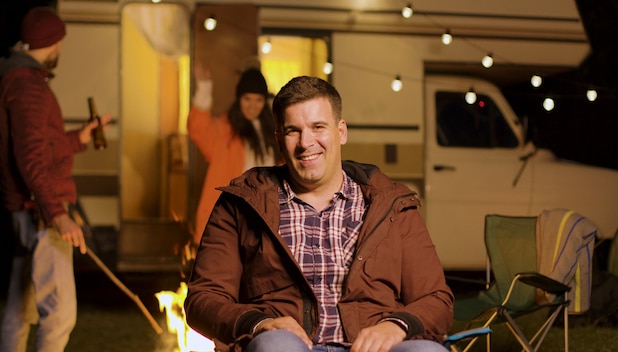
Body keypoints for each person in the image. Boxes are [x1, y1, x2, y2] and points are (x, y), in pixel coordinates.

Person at [184, 75, 454, 352]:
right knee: (276, 347)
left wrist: (397, 325)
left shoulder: (391, 204)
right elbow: (203, 298)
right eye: (293, 130)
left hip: (373, 348)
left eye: (318, 127)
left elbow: (436, 298)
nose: (306, 142)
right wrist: (258, 324)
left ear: (341, 131)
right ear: (279, 139)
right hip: (286, 345)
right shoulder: (241, 204)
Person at [0, 6, 111, 351]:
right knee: (59, 314)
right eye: (60, 42)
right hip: (41, 212)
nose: (61, 49)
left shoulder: (18, 80)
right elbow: (29, 158)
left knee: (19, 308)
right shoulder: (28, 87)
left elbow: (41, 146)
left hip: (27, 210)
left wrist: (81, 137)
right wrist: (56, 212)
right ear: (52, 42)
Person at [187, 64, 281, 245]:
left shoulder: (274, 134)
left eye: (258, 100)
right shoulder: (225, 131)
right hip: (231, 216)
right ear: (239, 99)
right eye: (247, 99)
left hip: (266, 217)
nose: (252, 106)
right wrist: (204, 88)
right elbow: (198, 128)